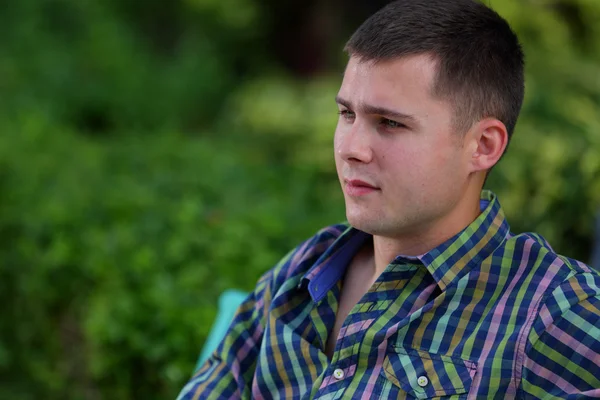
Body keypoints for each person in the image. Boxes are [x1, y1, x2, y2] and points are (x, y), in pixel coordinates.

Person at [178, 0, 600, 398]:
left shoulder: (554, 311)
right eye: (347, 114)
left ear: (483, 145)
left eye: (390, 123)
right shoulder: (303, 274)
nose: (351, 148)